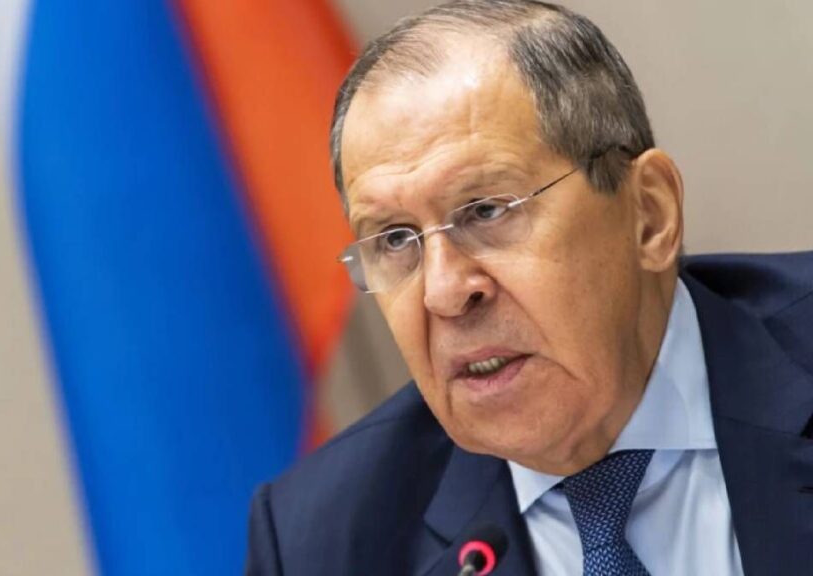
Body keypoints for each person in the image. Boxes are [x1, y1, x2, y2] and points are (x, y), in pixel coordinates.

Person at [246, 1, 813, 574]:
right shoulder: (320, 544)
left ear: (649, 214)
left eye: (486, 210)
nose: (444, 292)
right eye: (395, 239)